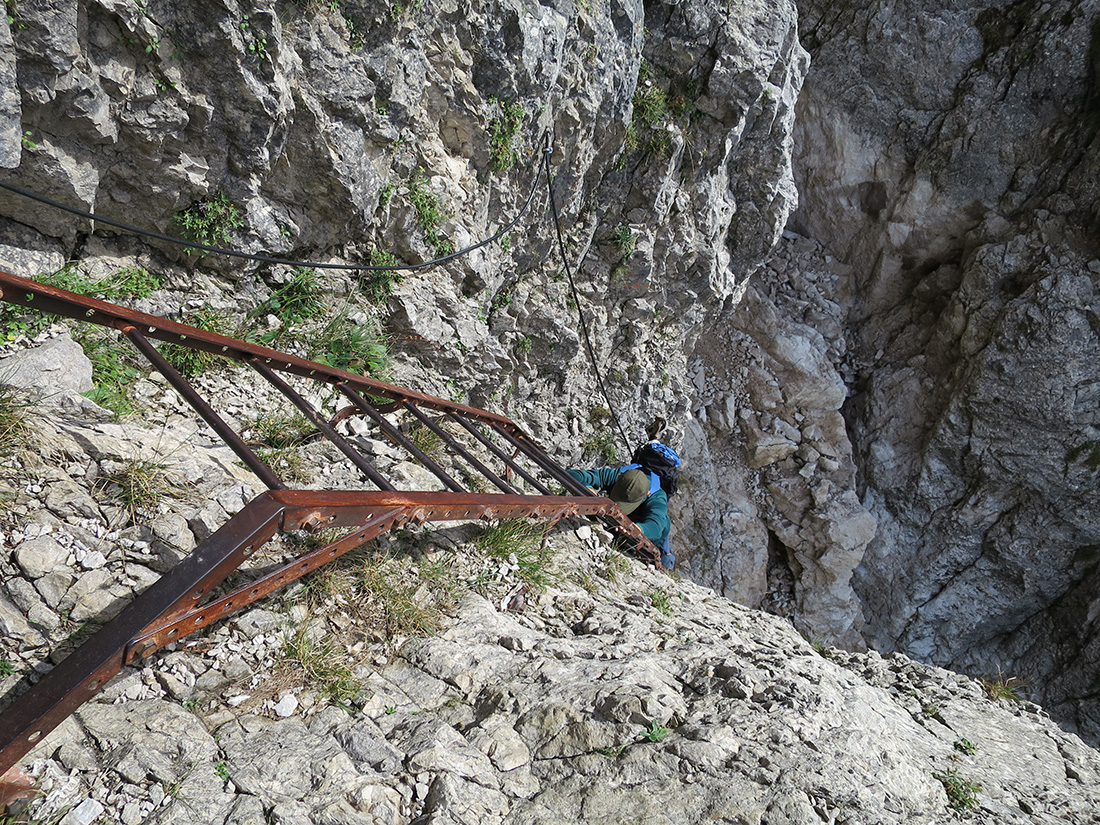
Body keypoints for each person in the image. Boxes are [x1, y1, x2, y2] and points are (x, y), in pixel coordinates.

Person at [568, 424, 676, 570]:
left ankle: (668, 567)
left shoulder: (657, 497)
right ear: (620, 479)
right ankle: (654, 436)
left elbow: (656, 527)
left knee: (664, 560)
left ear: (645, 496)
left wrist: (639, 529)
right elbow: (574, 475)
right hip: (630, 521)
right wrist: (587, 489)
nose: (620, 508)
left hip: (655, 534)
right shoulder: (619, 474)